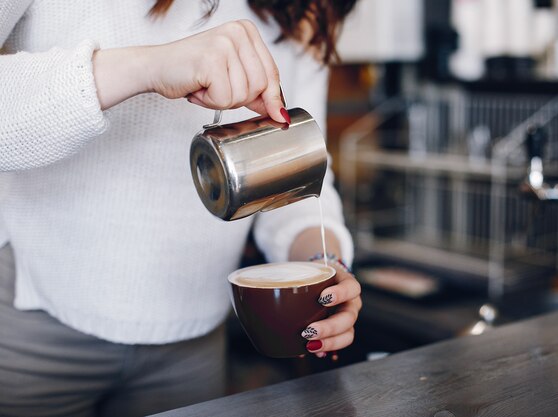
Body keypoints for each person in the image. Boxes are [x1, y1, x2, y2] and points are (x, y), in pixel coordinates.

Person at [0, 0, 361, 416]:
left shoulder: (302, 8)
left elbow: (293, 174)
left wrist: (323, 267)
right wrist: (147, 67)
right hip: (33, 322)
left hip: (194, 341)